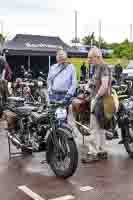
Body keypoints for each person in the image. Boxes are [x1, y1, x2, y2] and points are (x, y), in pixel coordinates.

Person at [81, 47, 112, 163]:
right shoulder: (98, 67)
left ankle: (93, 153)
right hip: (102, 100)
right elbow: (96, 82)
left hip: (100, 100)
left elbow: (104, 86)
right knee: (101, 127)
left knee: (94, 127)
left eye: (90, 57)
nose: (89, 60)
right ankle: (103, 151)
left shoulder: (103, 67)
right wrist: (88, 85)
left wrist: (96, 97)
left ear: (97, 57)